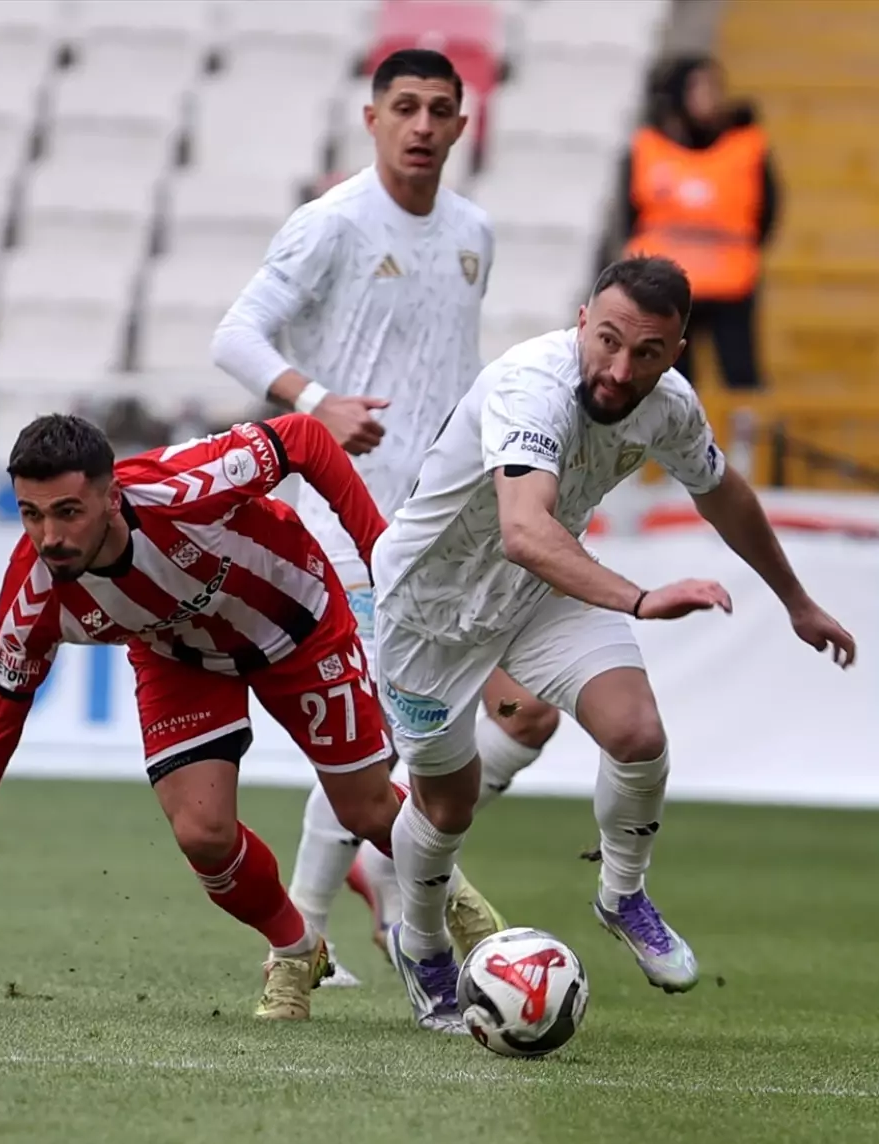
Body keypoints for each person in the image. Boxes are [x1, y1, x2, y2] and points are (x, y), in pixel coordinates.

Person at [371, 256, 856, 1032]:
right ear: (582, 320)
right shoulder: (531, 387)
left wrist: (796, 602)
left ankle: (622, 894)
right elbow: (525, 531)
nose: (622, 369)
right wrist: (639, 598)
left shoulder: (669, 405)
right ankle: (422, 944)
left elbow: (721, 492)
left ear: (677, 350)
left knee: (636, 733)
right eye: (608, 341)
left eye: (648, 352)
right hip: (430, 610)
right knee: (448, 804)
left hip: (538, 594)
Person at [212, 48, 559, 983]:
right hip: (345, 517)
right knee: (377, 734)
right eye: (404, 106)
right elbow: (235, 335)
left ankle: (389, 864)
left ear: (462, 126)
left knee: (527, 712)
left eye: (439, 109)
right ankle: (307, 936)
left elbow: (452, 367)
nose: (421, 125)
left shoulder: (474, 230)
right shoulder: (332, 224)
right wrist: (316, 401)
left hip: (451, 521)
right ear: (372, 119)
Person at [0, 411, 405, 1023]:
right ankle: (295, 949)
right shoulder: (33, 596)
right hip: (180, 657)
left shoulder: (184, 486)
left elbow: (305, 438)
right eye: (31, 514)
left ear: (111, 496)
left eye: (67, 512)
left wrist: (381, 556)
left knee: (368, 813)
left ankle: (450, 906)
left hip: (295, 622)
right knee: (202, 833)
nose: (49, 536)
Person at [620, 55, 781, 391]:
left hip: (731, 282)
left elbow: (767, 210)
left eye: (715, 88)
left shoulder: (746, 145)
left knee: (741, 379)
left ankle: (742, 429)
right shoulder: (648, 147)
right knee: (671, 383)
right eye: (700, 88)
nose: (711, 97)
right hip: (664, 288)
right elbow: (630, 214)